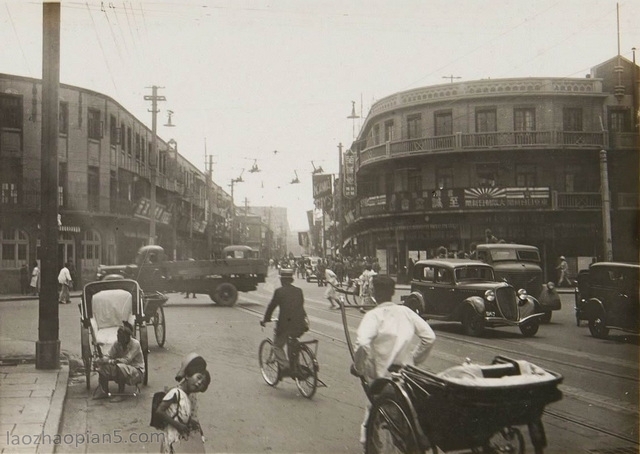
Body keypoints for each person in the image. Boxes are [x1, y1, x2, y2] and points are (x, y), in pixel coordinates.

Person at [351, 275, 436, 446]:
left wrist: (358, 367)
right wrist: (414, 359)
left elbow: (362, 344)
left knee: (372, 411)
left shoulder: (373, 316)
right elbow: (429, 337)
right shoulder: (406, 312)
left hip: (382, 380)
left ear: (374, 292)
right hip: (408, 377)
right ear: (392, 292)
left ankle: (370, 443)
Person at [157, 355, 211, 454]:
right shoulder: (175, 393)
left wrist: (191, 423)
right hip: (171, 436)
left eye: (202, 383)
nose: (199, 383)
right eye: (198, 378)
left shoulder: (191, 397)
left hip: (180, 438)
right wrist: (178, 425)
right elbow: (159, 411)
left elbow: (185, 414)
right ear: (187, 376)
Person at [260, 269, 308, 371]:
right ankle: (295, 365)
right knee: (293, 343)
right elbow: (300, 307)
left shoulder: (279, 292)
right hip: (300, 324)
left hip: (285, 325)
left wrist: (265, 319)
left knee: (277, 346)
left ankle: (286, 366)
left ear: (282, 280)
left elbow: (271, 307)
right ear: (291, 279)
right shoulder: (299, 291)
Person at [93, 322, 145, 402]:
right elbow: (109, 355)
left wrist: (110, 361)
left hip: (136, 371)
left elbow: (126, 360)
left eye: (120, 336)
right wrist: (102, 360)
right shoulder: (117, 343)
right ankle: (104, 391)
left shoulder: (135, 344)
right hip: (123, 368)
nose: (118, 337)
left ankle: (121, 394)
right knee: (102, 367)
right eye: (118, 335)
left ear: (127, 337)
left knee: (120, 366)